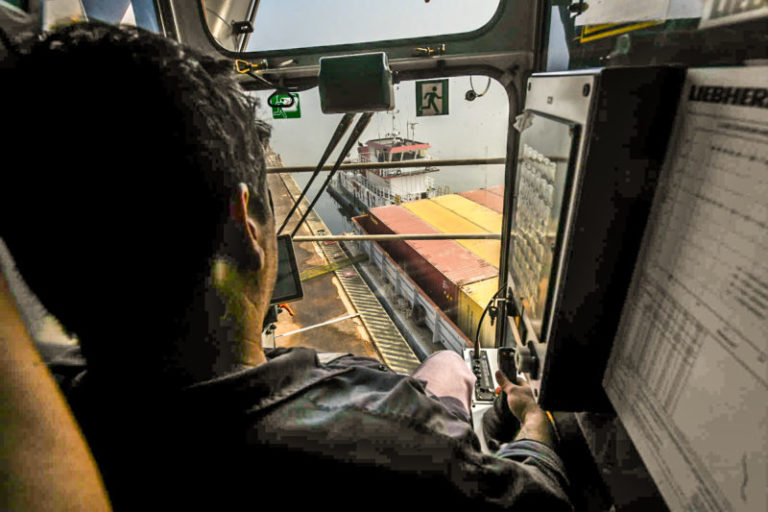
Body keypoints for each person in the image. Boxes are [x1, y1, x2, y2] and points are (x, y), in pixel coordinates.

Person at [0, 22, 571, 510]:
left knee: (445, 365)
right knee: (449, 363)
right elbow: (541, 504)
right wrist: (535, 425)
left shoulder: (42, 440)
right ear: (244, 224)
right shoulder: (405, 446)